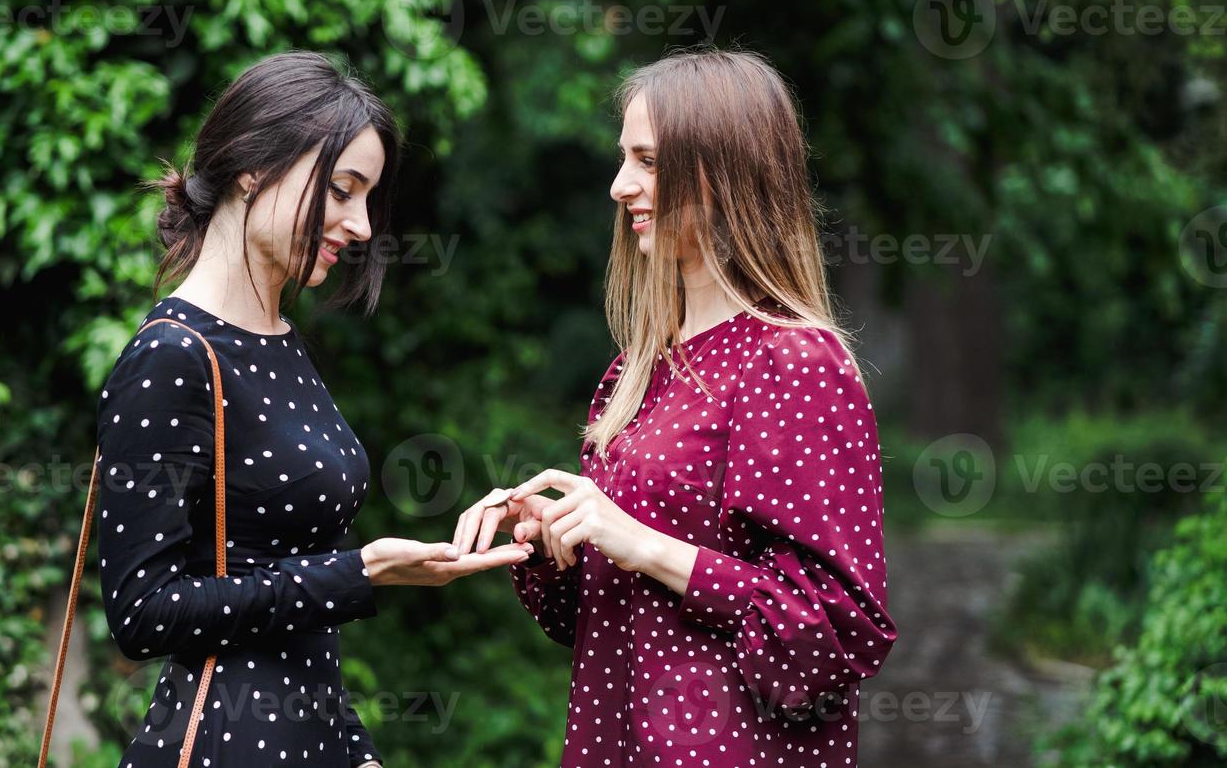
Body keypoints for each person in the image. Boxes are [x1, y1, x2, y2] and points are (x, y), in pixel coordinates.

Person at [454, 47, 897, 766]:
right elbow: (598, 619)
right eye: (625, 158)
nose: (620, 184)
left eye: (649, 161)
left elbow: (836, 633)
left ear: (724, 175)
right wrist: (555, 540)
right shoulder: (637, 371)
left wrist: (645, 545)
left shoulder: (792, 363)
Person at [96, 51, 532, 768]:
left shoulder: (280, 342)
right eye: (340, 190)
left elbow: (293, 614)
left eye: (367, 197)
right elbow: (144, 614)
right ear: (250, 168)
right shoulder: (171, 356)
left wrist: (354, 748)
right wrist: (361, 572)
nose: (360, 224)